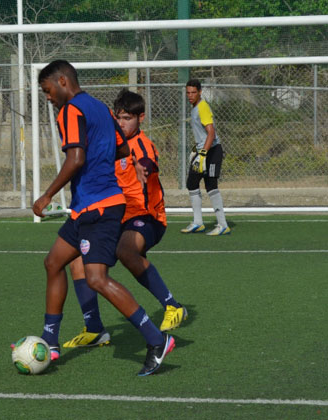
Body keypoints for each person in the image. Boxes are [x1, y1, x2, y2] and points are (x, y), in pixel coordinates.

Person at [33, 60, 174, 376]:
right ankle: (49, 342)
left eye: (48, 90)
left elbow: (76, 158)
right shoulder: (99, 108)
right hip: (91, 206)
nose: (48, 97)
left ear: (62, 81)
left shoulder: (70, 110)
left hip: (98, 207)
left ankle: (156, 339)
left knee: (96, 278)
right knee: (54, 262)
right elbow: (122, 151)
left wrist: (47, 195)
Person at [64, 90, 187, 351]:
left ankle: (172, 305)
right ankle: (94, 328)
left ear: (140, 118)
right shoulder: (112, 144)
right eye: (118, 118)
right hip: (115, 217)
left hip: (147, 218)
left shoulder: (142, 144)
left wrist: (144, 167)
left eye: (127, 118)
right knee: (76, 257)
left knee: (126, 250)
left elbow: (147, 161)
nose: (122, 123)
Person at [182, 79, 231, 235]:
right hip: (203, 150)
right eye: (188, 92)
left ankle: (223, 225)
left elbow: (211, 133)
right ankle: (198, 222)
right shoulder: (194, 108)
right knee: (192, 182)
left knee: (211, 185)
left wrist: (202, 154)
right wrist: (196, 149)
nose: (190, 95)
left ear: (200, 92)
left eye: (193, 92)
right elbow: (203, 135)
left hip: (212, 151)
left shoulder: (202, 107)